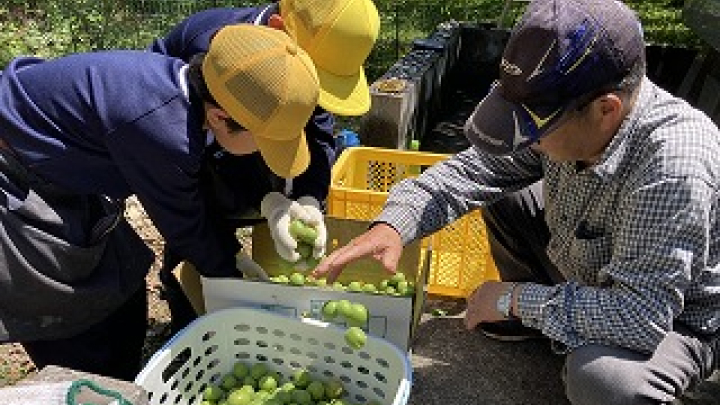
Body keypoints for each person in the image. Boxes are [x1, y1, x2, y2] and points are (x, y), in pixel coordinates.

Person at [312, 0, 720, 403]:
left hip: (671, 318)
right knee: (505, 196)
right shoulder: (566, 114)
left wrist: (514, 300)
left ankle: (559, 326)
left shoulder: (674, 165)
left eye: (536, 131)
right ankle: (549, 321)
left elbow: (639, 316)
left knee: (605, 382)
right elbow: (471, 172)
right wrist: (393, 225)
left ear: (605, 110)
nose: (525, 141)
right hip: (586, 264)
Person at [0, 24, 320, 380]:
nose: (263, 153)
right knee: (72, 325)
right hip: (15, 179)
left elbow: (194, 193)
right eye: (264, 142)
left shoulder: (185, 90)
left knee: (122, 291)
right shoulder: (162, 129)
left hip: (61, 169)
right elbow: (186, 224)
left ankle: (123, 378)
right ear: (219, 117)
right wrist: (237, 276)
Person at [148, 0, 380, 334]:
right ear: (277, 30)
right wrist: (226, 254)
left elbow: (318, 131)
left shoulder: (301, 57)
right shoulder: (215, 53)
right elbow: (190, 180)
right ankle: (191, 329)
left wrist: (309, 196)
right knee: (195, 247)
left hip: (241, 138)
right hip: (192, 156)